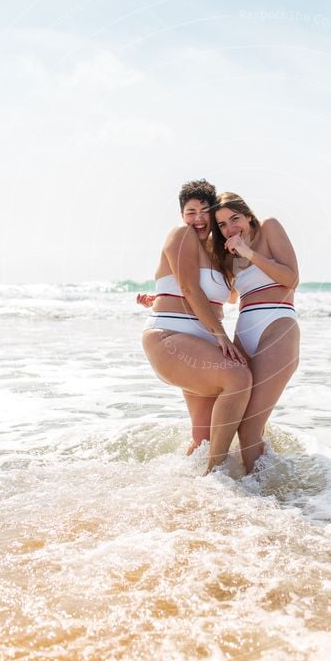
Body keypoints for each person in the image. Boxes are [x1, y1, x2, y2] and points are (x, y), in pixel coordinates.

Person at [140, 180, 252, 473]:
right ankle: (217, 473)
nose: (198, 219)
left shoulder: (216, 254)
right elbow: (189, 288)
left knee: (202, 438)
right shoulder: (180, 234)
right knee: (238, 378)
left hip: (198, 345)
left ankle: (187, 487)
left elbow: (228, 296)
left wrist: (239, 250)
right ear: (181, 215)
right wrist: (219, 334)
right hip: (170, 338)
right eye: (191, 211)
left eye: (205, 211)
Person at [211, 193, 300, 473]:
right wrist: (162, 298)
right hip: (244, 330)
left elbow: (291, 278)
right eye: (222, 225)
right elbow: (224, 295)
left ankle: (266, 502)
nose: (230, 228)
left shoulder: (269, 229)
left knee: (250, 428)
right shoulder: (231, 256)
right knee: (237, 424)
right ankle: (253, 485)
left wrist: (248, 253)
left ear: (248, 215)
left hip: (277, 325)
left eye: (234, 218)